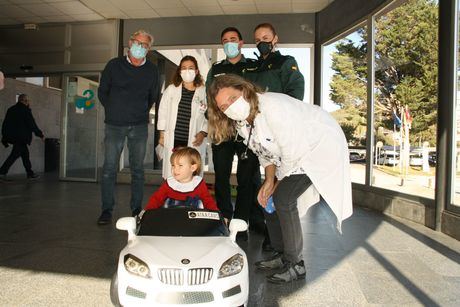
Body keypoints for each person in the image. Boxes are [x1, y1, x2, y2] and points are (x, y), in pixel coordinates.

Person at [207, 74, 353, 283]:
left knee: (283, 198)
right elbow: (264, 153)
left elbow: (293, 151)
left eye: (231, 98)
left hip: (318, 148)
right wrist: (268, 182)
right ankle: (281, 253)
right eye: (223, 107)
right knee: (267, 200)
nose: (229, 106)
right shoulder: (243, 124)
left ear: (244, 90)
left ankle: (296, 264)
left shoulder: (273, 107)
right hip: (292, 155)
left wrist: (276, 184)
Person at [97, 29, 160, 225]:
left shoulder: (151, 70)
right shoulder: (114, 65)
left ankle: (136, 209)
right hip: (114, 126)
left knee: (138, 170)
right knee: (109, 168)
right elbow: (102, 92)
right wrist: (116, 110)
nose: (139, 47)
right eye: (137, 43)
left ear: (148, 49)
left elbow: (153, 96)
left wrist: (138, 112)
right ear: (130, 43)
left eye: (144, 45)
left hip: (139, 126)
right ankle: (107, 209)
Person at [206, 27, 263, 240]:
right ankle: (224, 219)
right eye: (225, 40)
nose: (229, 43)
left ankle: (240, 223)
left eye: (233, 39)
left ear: (241, 42)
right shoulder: (217, 68)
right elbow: (210, 96)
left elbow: (256, 94)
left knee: (246, 178)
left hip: (247, 129)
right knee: (221, 176)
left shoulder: (253, 66)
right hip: (223, 127)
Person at [157, 55, 208, 179]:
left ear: (196, 71)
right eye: (184, 68)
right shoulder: (171, 90)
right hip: (174, 139)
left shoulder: (203, 92)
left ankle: (190, 198)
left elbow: (209, 116)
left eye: (191, 68)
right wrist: (162, 135)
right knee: (172, 173)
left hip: (193, 140)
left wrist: (203, 132)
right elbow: (162, 112)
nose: (187, 71)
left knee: (191, 175)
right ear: (180, 71)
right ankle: (171, 197)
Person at [144, 147, 218, 211]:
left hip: (194, 222)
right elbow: (156, 199)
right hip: (171, 219)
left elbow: (208, 201)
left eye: (180, 165)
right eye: (173, 165)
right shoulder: (170, 183)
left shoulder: (198, 183)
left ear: (193, 168)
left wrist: (216, 214)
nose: (175, 169)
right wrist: (147, 211)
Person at [252, 23, 305, 100]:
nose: (261, 43)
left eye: (265, 38)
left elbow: (295, 96)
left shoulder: (286, 62)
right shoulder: (252, 67)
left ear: (275, 39)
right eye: (258, 40)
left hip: (278, 111)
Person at [0, 94, 44, 181]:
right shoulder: (25, 110)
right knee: (14, 155)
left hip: (14, 137)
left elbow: (5, 124)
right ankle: (1, 172)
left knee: (25, 155)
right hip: (21, 138)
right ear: (24, 101)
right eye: (27, 100)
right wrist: (40, 134)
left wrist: (4, 137)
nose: (28, 102)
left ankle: (30, 173)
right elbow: (32, 124)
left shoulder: (11, 109)